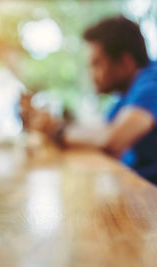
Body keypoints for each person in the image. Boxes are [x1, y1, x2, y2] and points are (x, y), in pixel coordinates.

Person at [23, 16, 157, 183]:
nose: (91, 75)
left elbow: (113, 139)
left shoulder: (152, 84)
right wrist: (56, 126)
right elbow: (100, 132)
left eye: (96, 64)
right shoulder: (127, 95)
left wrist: (57, 131)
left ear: (125, 62)